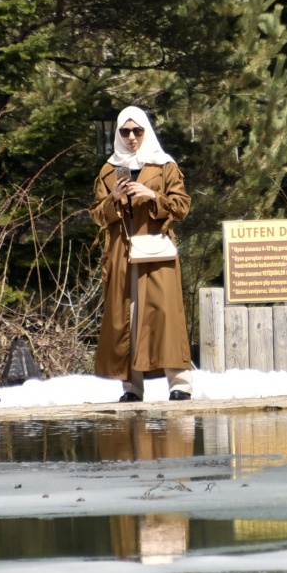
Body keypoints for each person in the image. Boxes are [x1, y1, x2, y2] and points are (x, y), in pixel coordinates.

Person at [90, 106, 194, 401]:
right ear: (118, 134)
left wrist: (154, 197)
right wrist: (114, 199)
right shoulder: (111, 169)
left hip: (157, 249)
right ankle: (132, 388)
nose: (132, 137)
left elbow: (182, 206)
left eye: (137, 131)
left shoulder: (163, 165)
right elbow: (97, 215)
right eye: (125, 131)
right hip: (122, 253)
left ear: (146, 131)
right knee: (127, 318)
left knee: (165, 315)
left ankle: (180, 384)